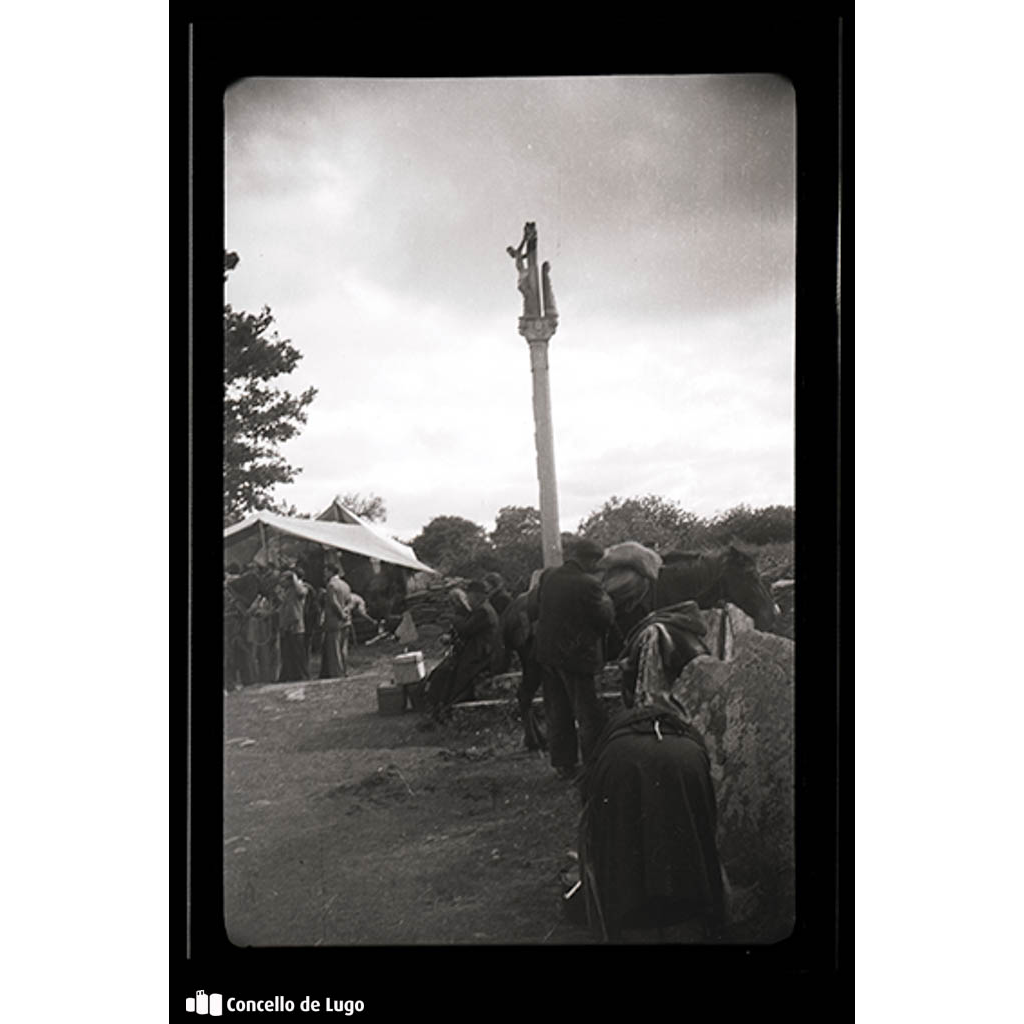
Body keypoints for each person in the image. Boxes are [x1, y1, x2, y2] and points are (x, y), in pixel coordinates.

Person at [576, 616, 726, 943]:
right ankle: (699, 911)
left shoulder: (611, 741)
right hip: (685, 761)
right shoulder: (690, 735)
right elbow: (708, 814)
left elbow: (589, 810)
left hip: (621, 767)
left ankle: (628, 912)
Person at [529, 538, 615, 778]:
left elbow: (534, 608)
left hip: (548, 655)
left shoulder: (549, 577)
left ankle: (564, 764)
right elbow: (605, 619)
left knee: (558, 711)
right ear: (589, 560)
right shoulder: (589, 585)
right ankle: (594, 766)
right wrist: (608, 601)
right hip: (577, 658)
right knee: (588, 714)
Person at [423, 580, 499, 717]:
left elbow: (465, 630)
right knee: (446, 671)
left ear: (476, 596)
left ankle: (450, 708)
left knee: (458, 675)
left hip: (481, 654)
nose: (468, 601)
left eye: (469, 597)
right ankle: (442, 705)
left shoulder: (483, 611)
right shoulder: (482, 609)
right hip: (479, 650)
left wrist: (454, 619)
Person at [276, 566, 310, 682]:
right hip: (286, 625)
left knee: (298, 652)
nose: (281, 581)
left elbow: (301, 591)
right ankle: (289, 675)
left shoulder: (300, 589)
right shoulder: (287, 592)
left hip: (296, 626)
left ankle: (302, 675)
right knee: (287, 653)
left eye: (284, 579)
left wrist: (293, 576)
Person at [321, 562, 353, 678]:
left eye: (326, 571)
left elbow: (333, 602)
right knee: (343, 648)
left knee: (334, 650)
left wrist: (341, 614)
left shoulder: (331, 585)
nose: (324, 573)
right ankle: (345, 670)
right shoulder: (345, 585)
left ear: (330, 571)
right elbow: (350, 601)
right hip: (346, 620)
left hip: (334, 621)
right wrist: (346, 612)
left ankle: (337, 673)